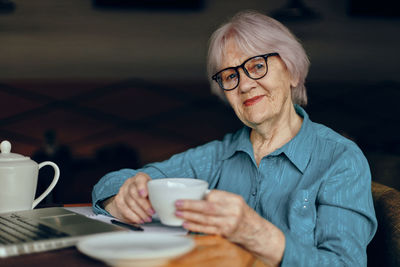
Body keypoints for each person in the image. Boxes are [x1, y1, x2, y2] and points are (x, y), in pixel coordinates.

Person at [92, 10, 377, 266]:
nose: (244, 85)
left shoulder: (340, 160)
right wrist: (124, 196)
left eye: (257, 66)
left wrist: (256, 234)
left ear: (291, 72)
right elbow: (112, 183)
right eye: (230, 76)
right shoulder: (217, 156)